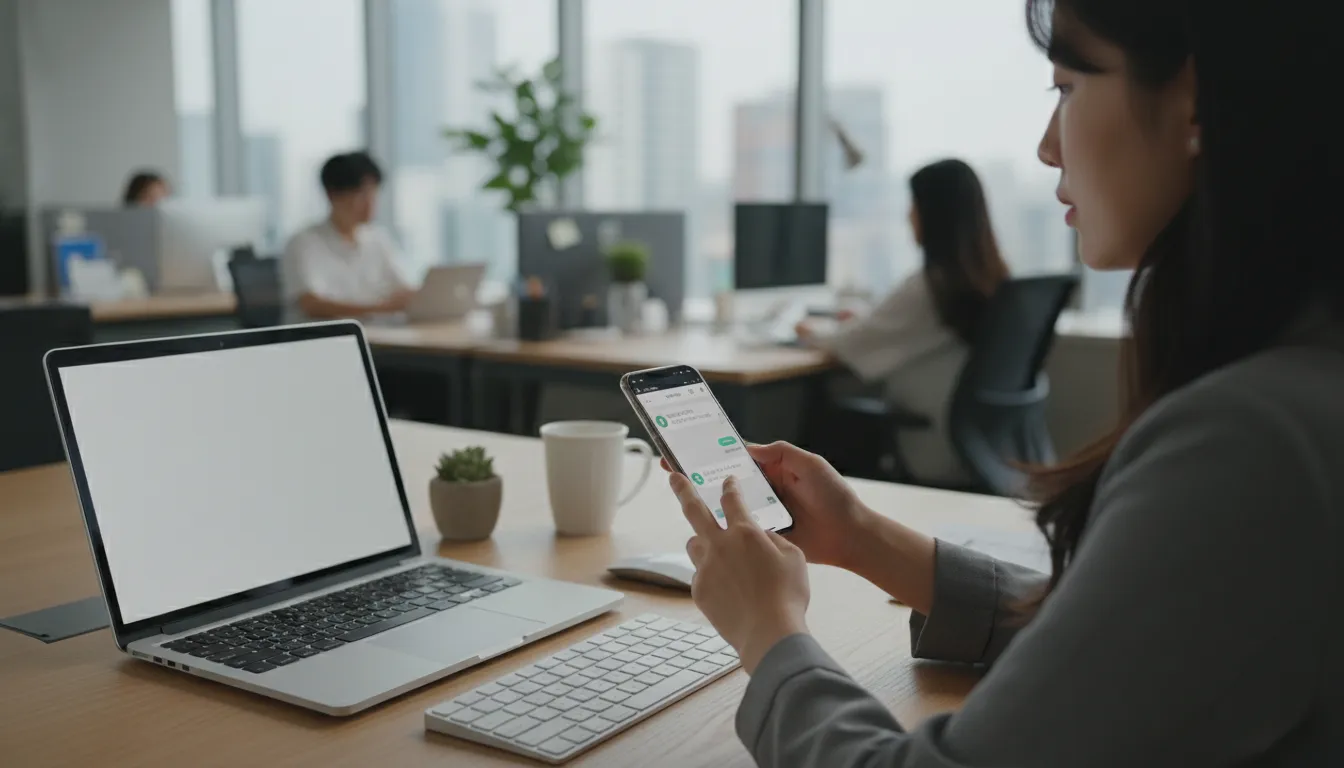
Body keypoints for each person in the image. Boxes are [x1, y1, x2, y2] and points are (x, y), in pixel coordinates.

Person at [667, 1, 1344, 765]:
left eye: (1067, 88)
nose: (1047, 146)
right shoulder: (1301, 391)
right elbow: (1130, 655)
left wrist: (770, 629)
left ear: (1193, 102)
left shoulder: (1254, 445)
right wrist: (867, 541)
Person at [796, 159, 1010, 485]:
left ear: (934, 214)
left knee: (817, 422)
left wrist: (809, 332)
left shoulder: (930, 287)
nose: (908, 216)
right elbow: (892, 329)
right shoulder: (992, 279)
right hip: (985, 442)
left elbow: (847, 346)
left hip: (929, 437)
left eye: (913, 206)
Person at [283, 151, 413, 319]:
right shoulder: (303, 243)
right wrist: (381, 308)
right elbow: (312, 304)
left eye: (374, 193)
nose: (370, 203)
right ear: (332, 195)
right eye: (361, 194)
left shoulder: (378, 239)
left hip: (377, 334)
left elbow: (402, 290)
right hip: (325, 338)